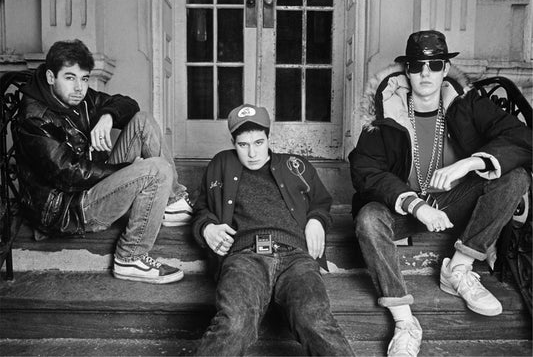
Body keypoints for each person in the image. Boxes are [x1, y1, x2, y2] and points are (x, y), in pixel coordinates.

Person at [349, 30, 531, 356]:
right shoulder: (385, 113)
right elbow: (365, 171)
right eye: (418, 66)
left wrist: (471, 163)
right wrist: (415, 204)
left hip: (453, 202)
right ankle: (405, 322)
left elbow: (522, 138)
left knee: (515, 177)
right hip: (403, 209)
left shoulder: (468, 105)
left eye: (434, 66)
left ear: (445, 69)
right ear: (407, 70)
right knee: (368, 218)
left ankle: (459, 268)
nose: (425, 74)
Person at [15, 39, 193, 284]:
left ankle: (172, 202)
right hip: (70, 207)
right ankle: (130, 256)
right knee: (156, 170)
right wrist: (129, 170)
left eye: (84, 78)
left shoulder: (81, 99)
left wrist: (108, 116)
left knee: (143, 121)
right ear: (50, 76)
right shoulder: (35, 118)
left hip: (92, 184)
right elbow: (69, 174)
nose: (79, 87)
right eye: (70, 77)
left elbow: (129, 104)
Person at [192, 104, 354, 356]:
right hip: (244, 257)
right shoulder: (220, 164)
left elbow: (321, 202)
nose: (253, 152)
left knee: (314, 320)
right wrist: (207, 228)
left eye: (259, 142)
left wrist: (317, 220)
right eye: (243, 145)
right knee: (235, 322)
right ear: (232, 142)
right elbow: (201, 210)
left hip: (296, 257)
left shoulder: (295, 165)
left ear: (269, 138)